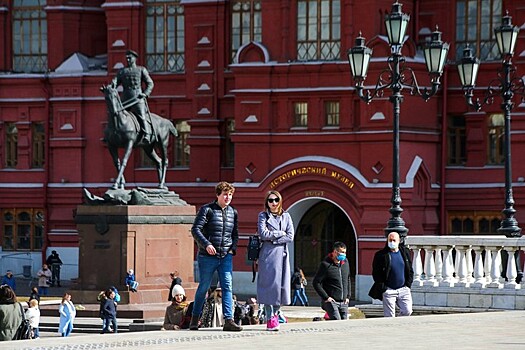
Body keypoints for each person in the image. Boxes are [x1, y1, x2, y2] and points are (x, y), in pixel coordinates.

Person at [189, 181, 242, 332]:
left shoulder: (233, 212)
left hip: (225, 256)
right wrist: (206, 244)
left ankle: (228, 320)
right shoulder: (207, 210)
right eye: (225, 194)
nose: (228, 197)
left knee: (227, 286)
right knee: (204, 286)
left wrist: (233, 249)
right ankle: (194, 318)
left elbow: (235, 234)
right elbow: (195, 229)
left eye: (230, 194)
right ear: (218, 195)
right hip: (207, 256)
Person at [257, 190, 295, 331]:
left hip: (283, 256)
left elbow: (290, 236)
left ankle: (277, 313)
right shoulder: (263, 216)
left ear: (280, 201)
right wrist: (280, 234)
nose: (273, 203)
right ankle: (269, 318)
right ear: (267, 202)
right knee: (268, 287)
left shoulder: (286, 216)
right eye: (270, 200)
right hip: (268, 256)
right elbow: (263, 234)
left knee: (281, 287)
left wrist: (273, 238)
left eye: (276, 200)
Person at [111, 49, 155, 143]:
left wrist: (145, 94)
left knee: (141, 115)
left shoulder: (141, 69)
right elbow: (115, 82)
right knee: (116, 114)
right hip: (125, 98)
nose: (128, 60)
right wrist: (113, 84)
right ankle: (113, 133)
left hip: (137, 98)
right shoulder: (122, 71)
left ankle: (147, 134)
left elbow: (150, 83)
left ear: (135, 58)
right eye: (127, 58)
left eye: (130, 58)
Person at [371, 232, 414, 318]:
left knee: (407, 311)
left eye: (394, 240)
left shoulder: (405, 253)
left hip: (403, 289)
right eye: (390, 240)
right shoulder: (381, 255)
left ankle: (399, 325)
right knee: (389, 316)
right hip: (389, 290)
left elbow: (409, 269)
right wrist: (384, 288)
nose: (392, 242)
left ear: (399, 241)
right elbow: (376, 273)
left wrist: (408, 285)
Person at [313, 241, 352, 320]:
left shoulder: (345, 263)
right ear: (335, 252)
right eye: (342, 252)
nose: (343, 255)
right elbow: (316, 282)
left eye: (345, 253)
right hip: (332, 301)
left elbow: (348, 279)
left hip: (344, 301)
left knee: (345, 325)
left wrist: (348, 296)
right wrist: (326, 297)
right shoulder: (326, 265)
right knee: (336, 321)